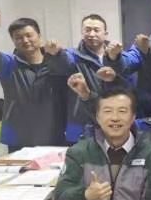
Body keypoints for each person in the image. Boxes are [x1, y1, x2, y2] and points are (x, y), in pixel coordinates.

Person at [0, 18, 65, 151]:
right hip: (20, 136)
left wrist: (59, 53)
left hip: (54, 132)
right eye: (18, 38)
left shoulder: (55, 63)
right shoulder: (9, 65)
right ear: (13, 41)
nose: (25, 40)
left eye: (29, 35)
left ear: (39, 36)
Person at [42, 14, 131, 143]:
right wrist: (56, 54)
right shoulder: (73, 55)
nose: (91, 34)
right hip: (83, 122)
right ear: (82, 32)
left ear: (105, 34)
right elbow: (64, 63)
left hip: (114, 119)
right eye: (87, 30)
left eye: (96, 30)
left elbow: (128, 84)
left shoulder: (118, 56)